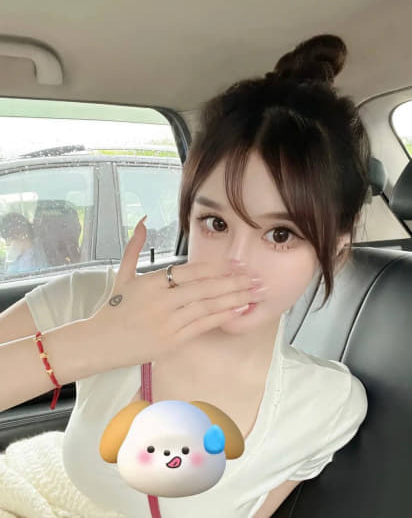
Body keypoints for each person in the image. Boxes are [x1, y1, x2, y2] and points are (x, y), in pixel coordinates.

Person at [0, 34, 369, 518]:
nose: (235, 261)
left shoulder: (326, 405)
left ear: (335, 252)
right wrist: (93, 342)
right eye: (215, 223)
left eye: (280, 234)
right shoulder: (92, 298)